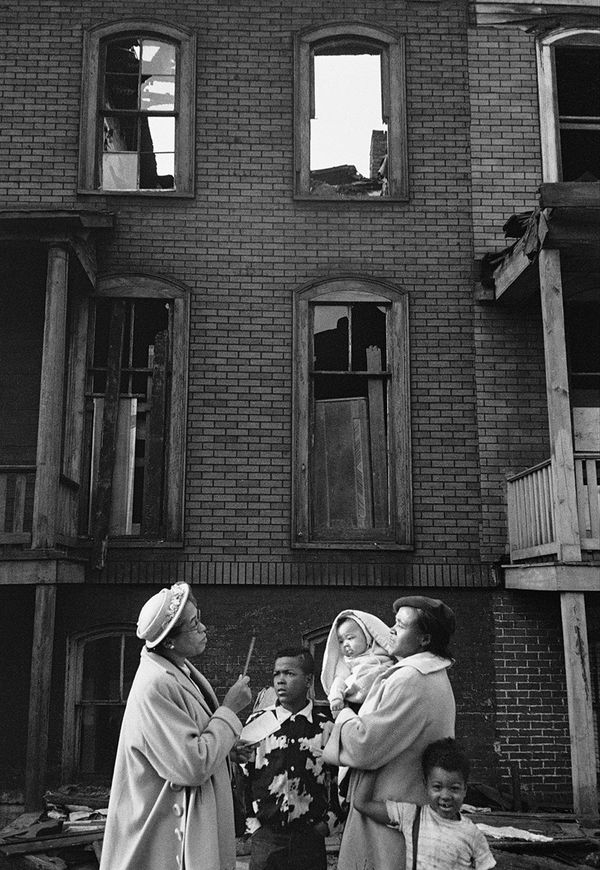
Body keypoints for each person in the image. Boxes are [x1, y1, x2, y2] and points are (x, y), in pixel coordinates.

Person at [99, 582, 252, 870]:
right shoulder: (155, 685)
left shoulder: (178, 669)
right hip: (165, 834)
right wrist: (230, 711)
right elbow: (190, 765)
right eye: (194, 624)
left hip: (182, 823)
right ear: (169, 641)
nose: (204, 628)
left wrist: (224, 753)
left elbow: (180, 744)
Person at [322, 595, 457, 870]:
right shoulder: (429, 673)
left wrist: (341, 716)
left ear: (424, 639)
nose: (391, 630)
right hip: (400, 809)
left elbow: (365, 745)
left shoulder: (411, 679)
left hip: (387, 813)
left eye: (401, 625)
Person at [242, 647, 339, 870]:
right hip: (267, 838)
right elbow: (242, 776)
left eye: (289, 673)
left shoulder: (325, 727)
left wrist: (328, 823)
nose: (280, 681)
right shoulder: (258, 723)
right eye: (277, 674)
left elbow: (337, 780)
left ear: (308, 680)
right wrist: (253, 824)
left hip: (310, 838)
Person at [353, 738, 496, 870]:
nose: (445, 796)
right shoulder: (412, 817)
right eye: (437, 787)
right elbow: (362, 804)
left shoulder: (472, 834)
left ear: (465, 789)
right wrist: (375, 759)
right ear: (426, 785)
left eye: (454, 788)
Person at [321, 609, 394, 718]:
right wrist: (336, 697)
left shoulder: (382, 652)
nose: (345, 644)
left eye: (350, 638)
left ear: (367, 636)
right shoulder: (347, 662)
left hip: (384, 696)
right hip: (360, 699)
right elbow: (339, 680)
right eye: (341, 641)